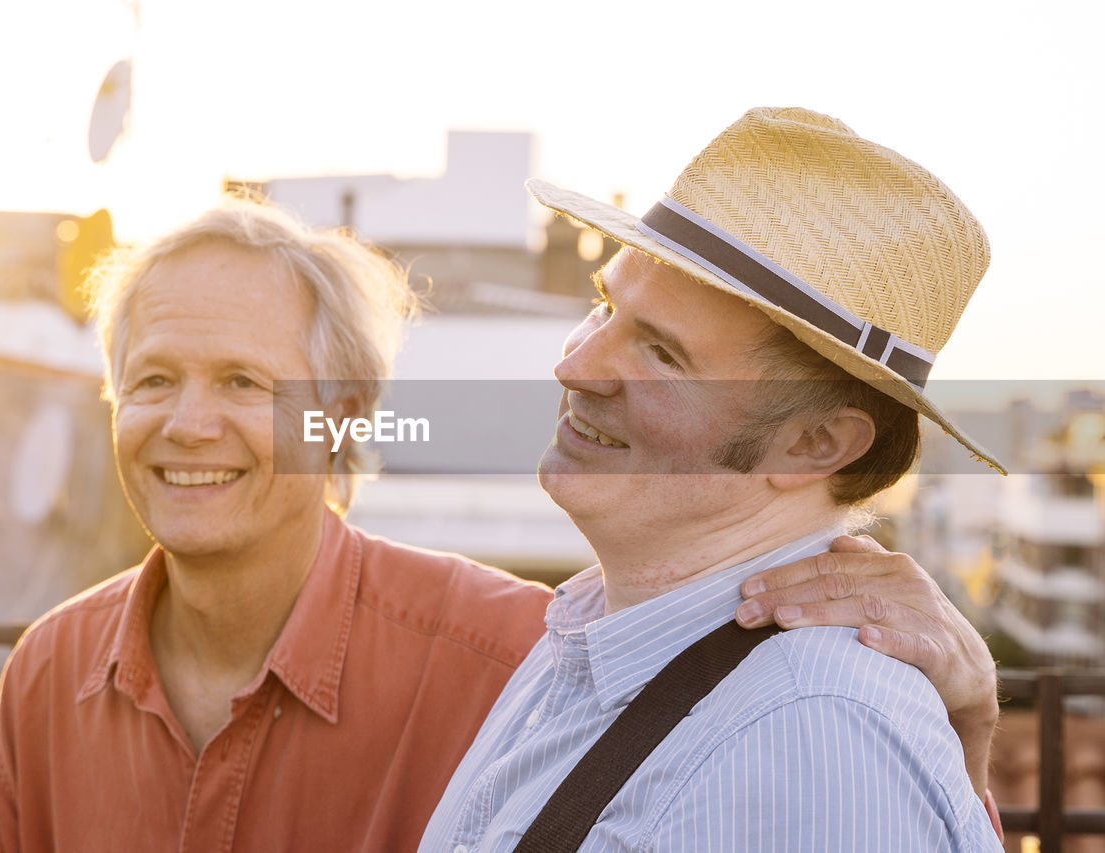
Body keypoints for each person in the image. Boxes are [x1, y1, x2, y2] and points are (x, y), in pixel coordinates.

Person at [0, 177, 999, 851]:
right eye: (601, 309)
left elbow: (849, 786)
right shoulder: (570, 652)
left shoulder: (506, 650)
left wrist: (948, 744)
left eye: (242, 382)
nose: (575, 361)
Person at [421, 107, 1005, 851]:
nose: (576, 366)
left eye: (663, 354)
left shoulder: (811, 736)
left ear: (813, 442)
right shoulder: (600, 632)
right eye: (605, 306)